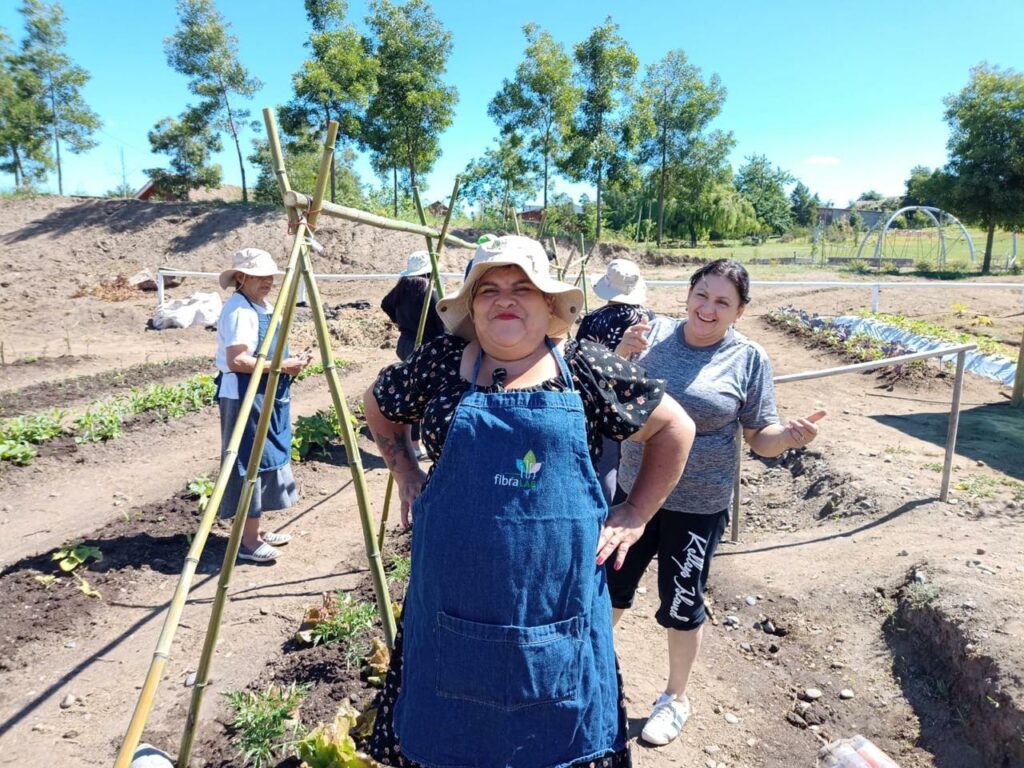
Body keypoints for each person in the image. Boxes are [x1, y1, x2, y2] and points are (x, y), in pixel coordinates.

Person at [363, 235, 695, 768]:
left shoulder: (586, 369)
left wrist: (636, 513)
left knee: (560, 735)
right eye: (488, 288)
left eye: (523, 286)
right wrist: (404, 470)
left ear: (548, 304)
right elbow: (378, 406)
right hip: (451, 607)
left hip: (556, 610)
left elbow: (675, 428)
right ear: (471, 306)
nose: (505, 298)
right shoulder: (441, 364)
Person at [610, 258, 827, 746]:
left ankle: (674, 699)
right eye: (701, 294)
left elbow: (759, 438)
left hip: (698, 503)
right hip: (634, 493)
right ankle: (592, 676)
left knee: (683, 601)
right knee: (609, 586)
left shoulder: (748, 359)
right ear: (688, 293)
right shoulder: (652, 334)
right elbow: (613, 397)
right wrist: (623, 355)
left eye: (722, 302)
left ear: (740, 312)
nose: (707, 308)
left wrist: (788, 436)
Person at [215, 248, 308, 564]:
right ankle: (248, 541)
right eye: (258, 276)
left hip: (264, 390)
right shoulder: (239, 310)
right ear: (240, 278)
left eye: (269, 275)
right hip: (244, 393)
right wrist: (283, 364)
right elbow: (237, 360)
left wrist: (289, 363)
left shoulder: (262, 306)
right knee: (249, 461)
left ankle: (256, 530)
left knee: (265, 456)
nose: (267, 281)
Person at [577, 258, 654, 503]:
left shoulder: (593, 319)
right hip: (641, 398)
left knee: (606, 461)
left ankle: (606, 509)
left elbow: (581, 360)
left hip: (605, 397)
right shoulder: (650, 318)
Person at [380, 250, 446, 460]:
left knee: (412, 392)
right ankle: (419, 446)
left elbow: (385, 304)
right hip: (425, 348)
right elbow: (443, 325)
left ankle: (414, 444)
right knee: (424, 396)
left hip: (406, 345)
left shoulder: (402, 288)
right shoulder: (429, 291)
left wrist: (401, 323)